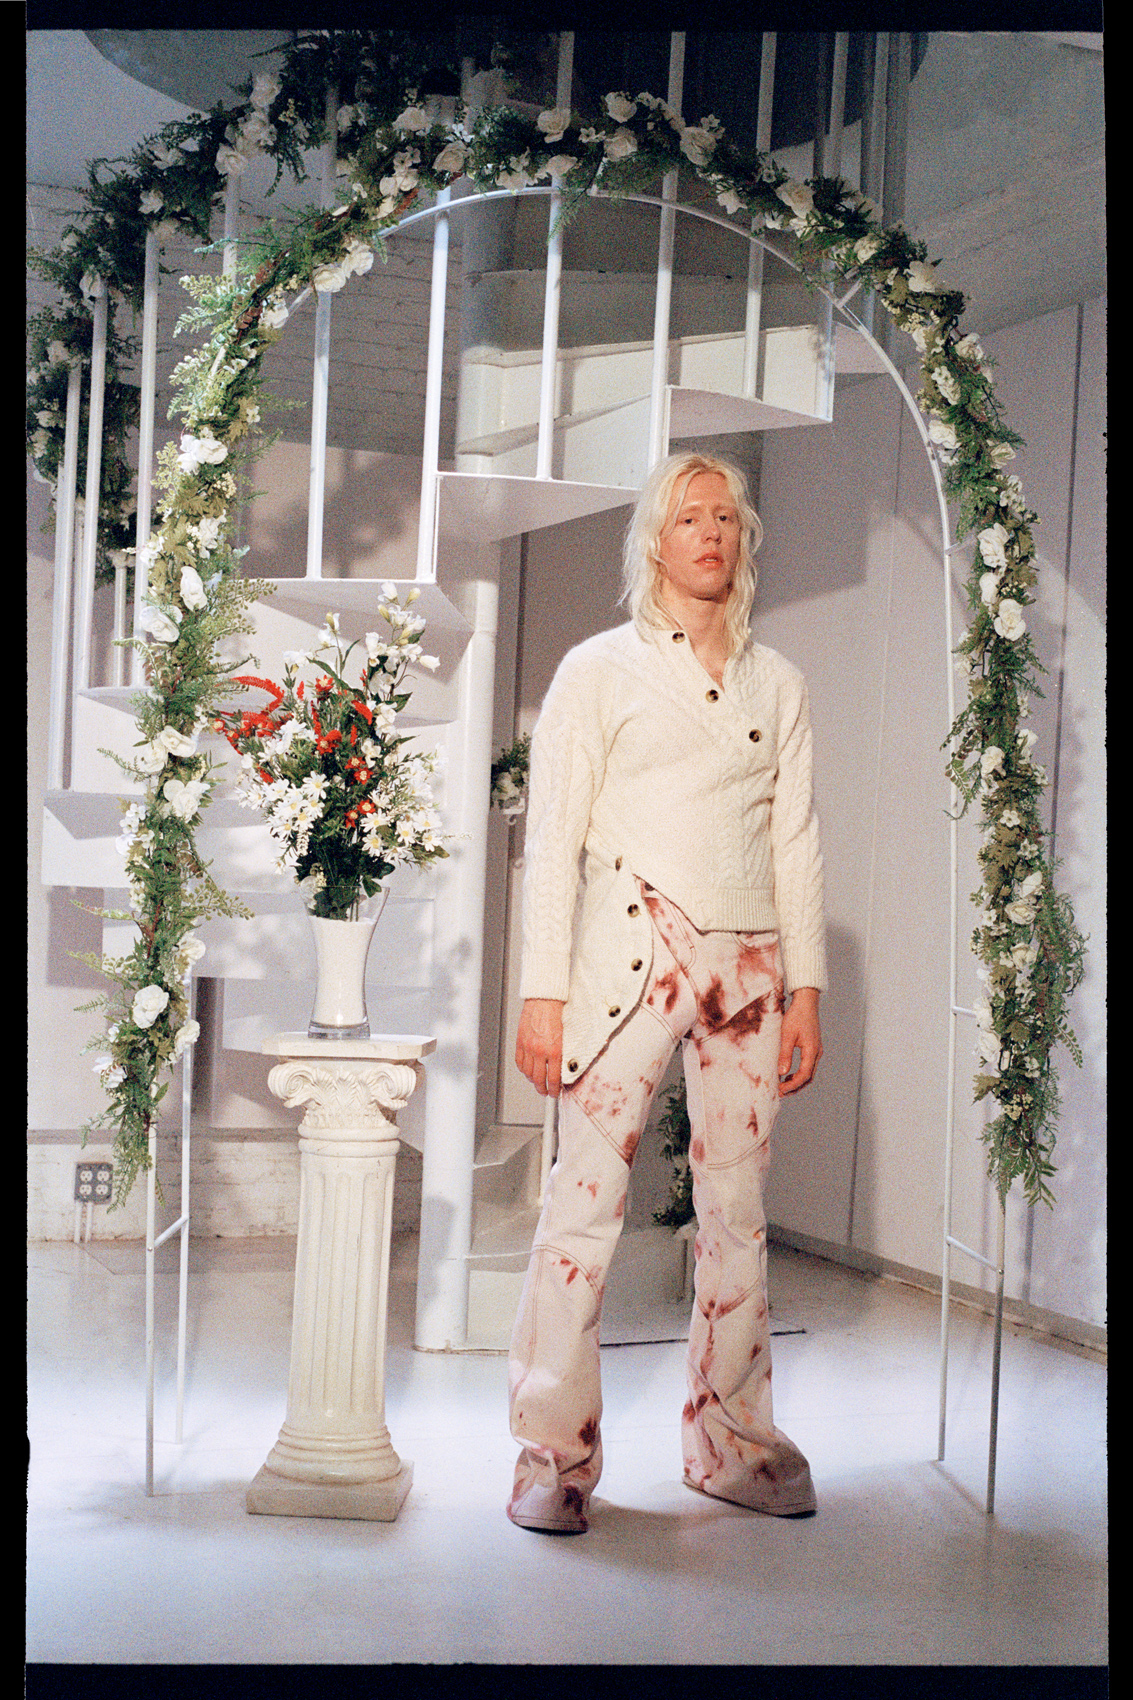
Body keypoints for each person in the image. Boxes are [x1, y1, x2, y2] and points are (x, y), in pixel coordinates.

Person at [507, 450, 826, 1534]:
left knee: (735, 1214)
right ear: (654, 539)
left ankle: (731, 1443)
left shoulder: (778, 683)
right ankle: (549, 1457)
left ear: (743, 538)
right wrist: (541, 993)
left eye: (725, 517)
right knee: (580, 1208)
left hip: (749, 969)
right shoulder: (597, 670)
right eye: (688, 516)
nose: (709, 532)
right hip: (627, 954)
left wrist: (806, 989)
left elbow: (795, 841)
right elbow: (552, 838)